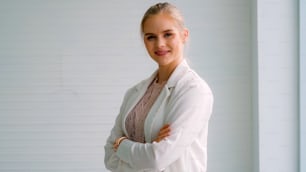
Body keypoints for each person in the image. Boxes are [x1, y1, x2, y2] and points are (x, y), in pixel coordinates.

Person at [104, 2, 213, 172]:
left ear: (184, 35)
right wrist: (147, 148)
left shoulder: (195, 91)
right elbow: (109, 157)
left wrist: (122, 144)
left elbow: (156, 159)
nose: (159, 44)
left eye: (168, 34)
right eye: (151, 37)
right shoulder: (133, 93)